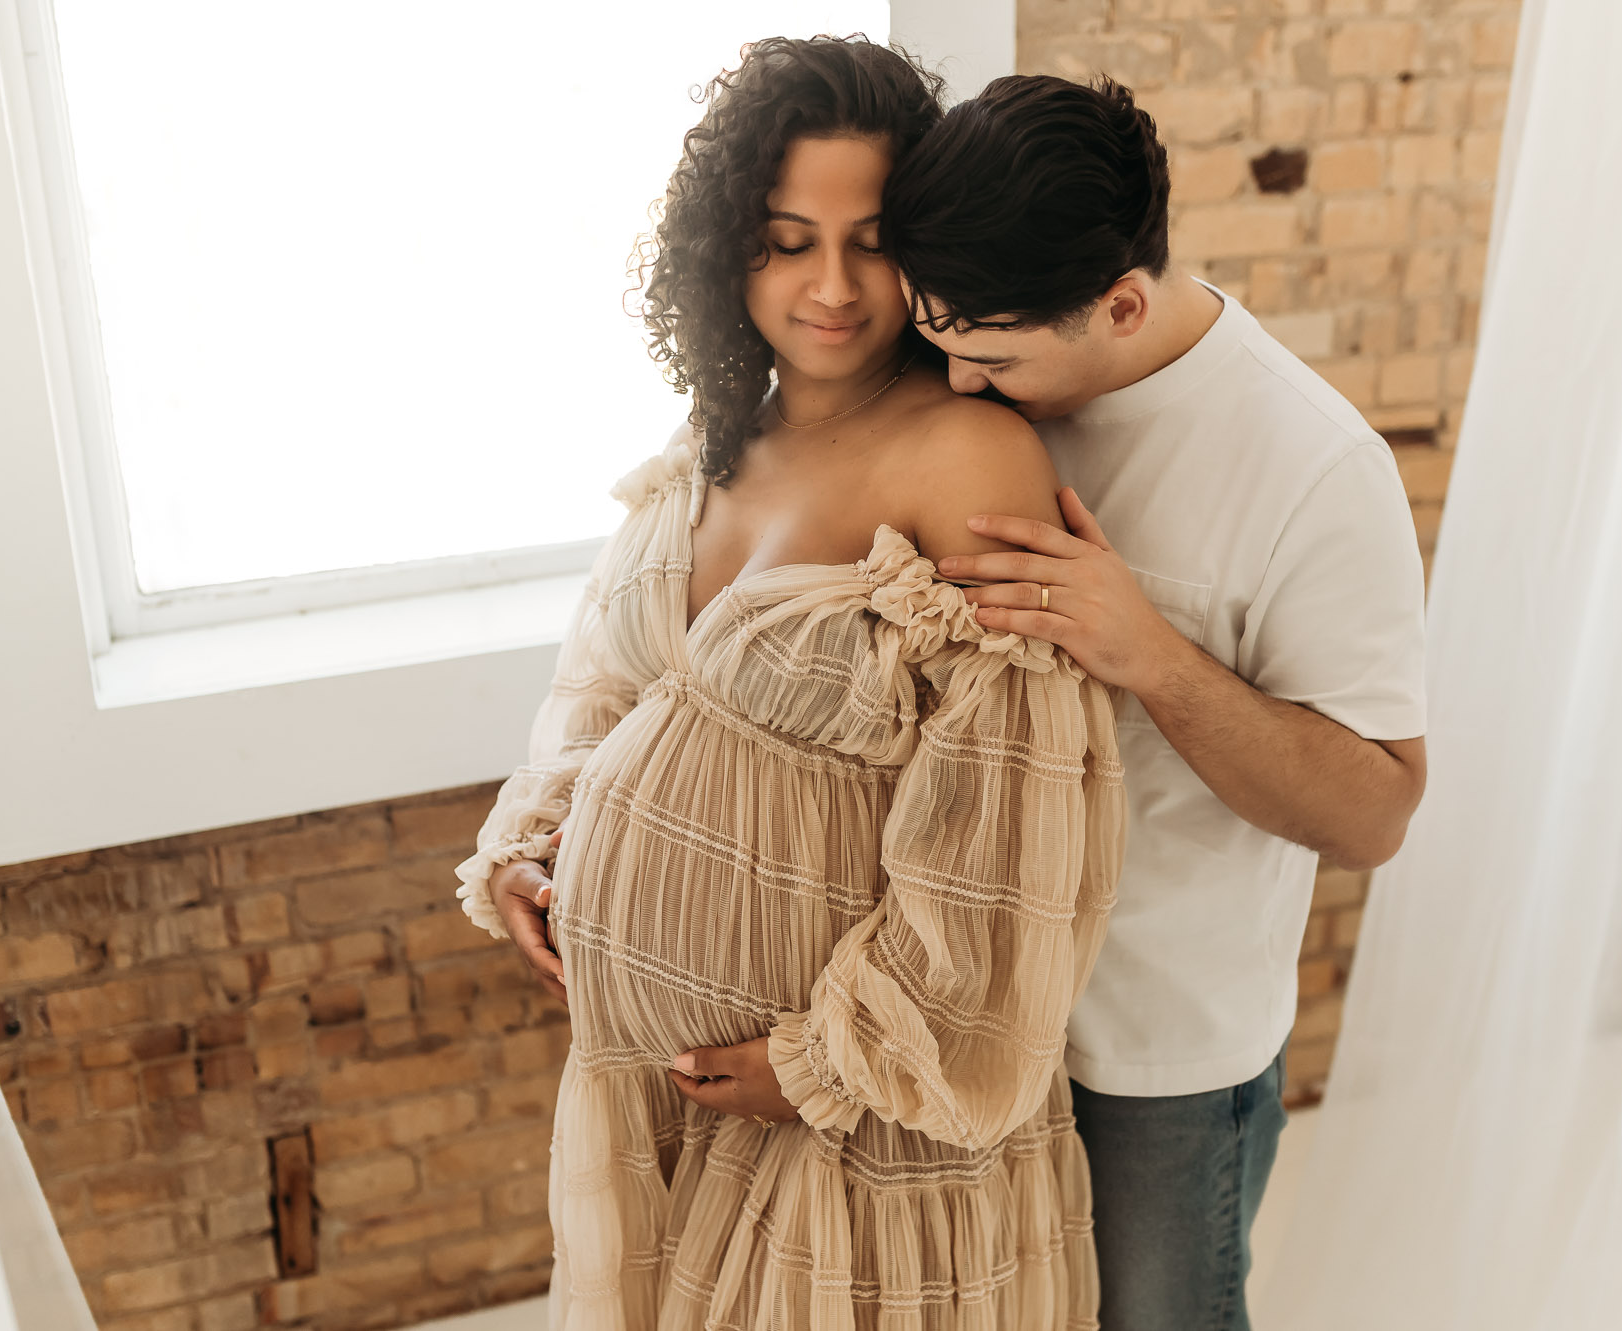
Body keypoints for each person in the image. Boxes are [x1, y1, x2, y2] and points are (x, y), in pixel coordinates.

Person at [454, 38, 1128, 1331]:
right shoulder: (716, 433)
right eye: (784, 237)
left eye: (869, 241)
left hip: (863, 1149)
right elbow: (604, 680)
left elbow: (1015, 833)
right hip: (663, 1101)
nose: (829, 287)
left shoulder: (969, 459)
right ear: (728, 248)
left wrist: (827, 1061)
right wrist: (533, 851)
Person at [879, 75, 1430, 1330]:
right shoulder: (963, 365)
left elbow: (1375, 811)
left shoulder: (1312, 466)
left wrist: (1151, 653)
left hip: (1154, 1067)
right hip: (953, 1017)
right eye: (940, 339)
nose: (954, 386)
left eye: (992, 356)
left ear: (1120, 303)